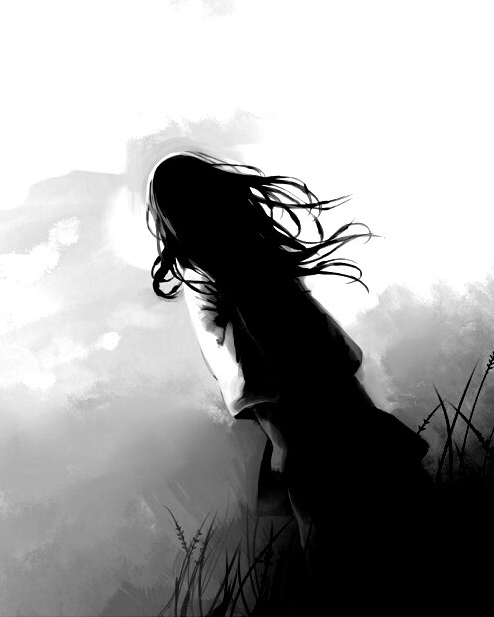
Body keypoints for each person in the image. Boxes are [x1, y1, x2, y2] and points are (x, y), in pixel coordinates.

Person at [146, 152, 431, 600]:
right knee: (376, 530)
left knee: (356, 540)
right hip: (319, 416)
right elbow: (291, 356)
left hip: (315, 418)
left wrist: (284, 432)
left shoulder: (230, 269)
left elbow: (261, 363)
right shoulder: (236, 265)